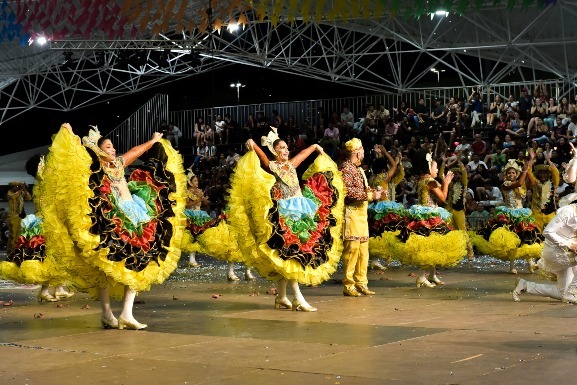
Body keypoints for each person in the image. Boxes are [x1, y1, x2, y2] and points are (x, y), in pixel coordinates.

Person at [37, 123, 186, 330]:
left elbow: (135, 151)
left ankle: (127, 313)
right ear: (98, 150)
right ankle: (107, 313)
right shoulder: (94, 169)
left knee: (137, 261)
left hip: (135, 214)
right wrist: (70, 135)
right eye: (108, 147)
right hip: (109, 217)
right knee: (106, 266)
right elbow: (74, 161)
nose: (113, 149)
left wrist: (153, 141)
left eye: (113, 146)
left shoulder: (117, 164)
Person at [229, 127, 343, 311]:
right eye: (282, 148)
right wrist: (253, 144)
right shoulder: (273, 167)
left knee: (292, 254)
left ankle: (282, 297)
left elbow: (303, 155)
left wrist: (314, 146)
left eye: (287, 147)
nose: (286, 150)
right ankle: (297, 298)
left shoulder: (291, 165)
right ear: (275, 150)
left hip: (302, 211)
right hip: (285, 214)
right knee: (291, 255)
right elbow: (262, 158)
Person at [388, 147, 470, 287]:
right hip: (428, 217)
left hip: (425, 214)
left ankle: (432, 275)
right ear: (428, 166)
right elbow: (443, 198)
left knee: (433, 245)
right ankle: (421, 276)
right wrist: (446, 183)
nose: (437, 170)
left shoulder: (422, 179)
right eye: (435, 167)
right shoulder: (430, 181)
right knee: (427, 247)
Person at [0, 155, 74, 303]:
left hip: (47, 223)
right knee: (48, 258)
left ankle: (58, 288)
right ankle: (46, 290)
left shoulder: (41, 182)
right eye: (44, 162)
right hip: (48, 224)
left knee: (54, 258)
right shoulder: (44, 182)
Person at [470, 153, 543, 274]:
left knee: (526, 239)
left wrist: (530, 162)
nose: (511, 175)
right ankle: (512, 266)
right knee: (511, 241)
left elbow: (531, 183)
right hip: (509, 215)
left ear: (517, 173)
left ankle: (531, 263)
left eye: (513, 173)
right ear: (505, 174)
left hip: (521, 214)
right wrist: (524, 171)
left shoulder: (521, 184)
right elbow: (519, 184)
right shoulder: (505, 184)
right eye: (509, 173)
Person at [181, 168, 254, 280]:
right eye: (194, 181)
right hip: (190, 214)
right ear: (190, 182)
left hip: (200, 214)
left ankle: (247, 271)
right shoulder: (187, 192)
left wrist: (204, 200)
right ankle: (192, 259)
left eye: (197, 181)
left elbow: (206, 204)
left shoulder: (199, 191)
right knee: (192, 236)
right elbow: (187, 205)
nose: (197, 182)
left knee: (197, 236)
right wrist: (199, 200)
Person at [512, 193, 577, 304]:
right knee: (569, 292)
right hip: (555, 251)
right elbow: (547, 231)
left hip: (568, 252)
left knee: (563, 293)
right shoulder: (568, 212)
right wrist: (568, 244)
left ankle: (525, 285)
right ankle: (572, 291)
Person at [339, 138, 382, 296]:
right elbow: (348, 193)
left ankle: (361, 282)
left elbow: (363, 190)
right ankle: (349, 284)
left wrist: (373, 192)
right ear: (357, 152)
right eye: (362, 149)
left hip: (361, 215)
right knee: (352, 251)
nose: (364, 152)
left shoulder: (358, 169)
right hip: (352, 214)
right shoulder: (346, 169)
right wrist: (371, 195)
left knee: (363, 251)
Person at [367, 144, 403, 271]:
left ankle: (375, 260)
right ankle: (386, 257)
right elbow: (394, 165)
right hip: (385, 207)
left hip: (374, 206)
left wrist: (379, 154)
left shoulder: (372, 178)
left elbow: (380, 164)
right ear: (383, 169)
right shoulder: (383, 177)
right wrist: (385, 152)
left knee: (376, 232)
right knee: (389, 232)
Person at [5, 181, 31, 254]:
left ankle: (19, 249)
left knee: (20, 234)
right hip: (13, 217)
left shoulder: (21, 193)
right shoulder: (10, 193)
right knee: (13, 234)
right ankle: (11, 251)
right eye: (15, 186)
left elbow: (29, 198)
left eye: (19, 186)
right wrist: (21, 189)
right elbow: (14, 196)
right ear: (12, 187)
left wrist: (25, 190)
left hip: (21, 215)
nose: (17, 188)